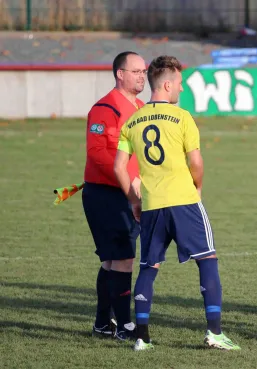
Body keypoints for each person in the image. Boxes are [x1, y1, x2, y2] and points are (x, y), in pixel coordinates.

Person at [113, 55, 241, 351]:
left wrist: (134, 200)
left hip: (153, 205)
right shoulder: (183, 117)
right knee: (207, 259)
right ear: (167, 84)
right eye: (180, 84)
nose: (181, 90)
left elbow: (119, 167)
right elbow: (196, 161)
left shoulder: (132, 121)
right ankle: (215, 333)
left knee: (148, 266)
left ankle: (142, 338)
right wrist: (198, 187)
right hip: (183, 201)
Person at [82, 51, 146, 341]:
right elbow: (97, 154)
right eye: (135, 71)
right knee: (122, 259)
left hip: (130, 193)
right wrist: (128, 184)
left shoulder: (142, 107)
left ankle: (102, 324)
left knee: (111, 261)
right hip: (108, 193)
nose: (142, 76)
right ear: (120, 74)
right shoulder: (106, 108)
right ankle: (124, 326)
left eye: (144, 71)